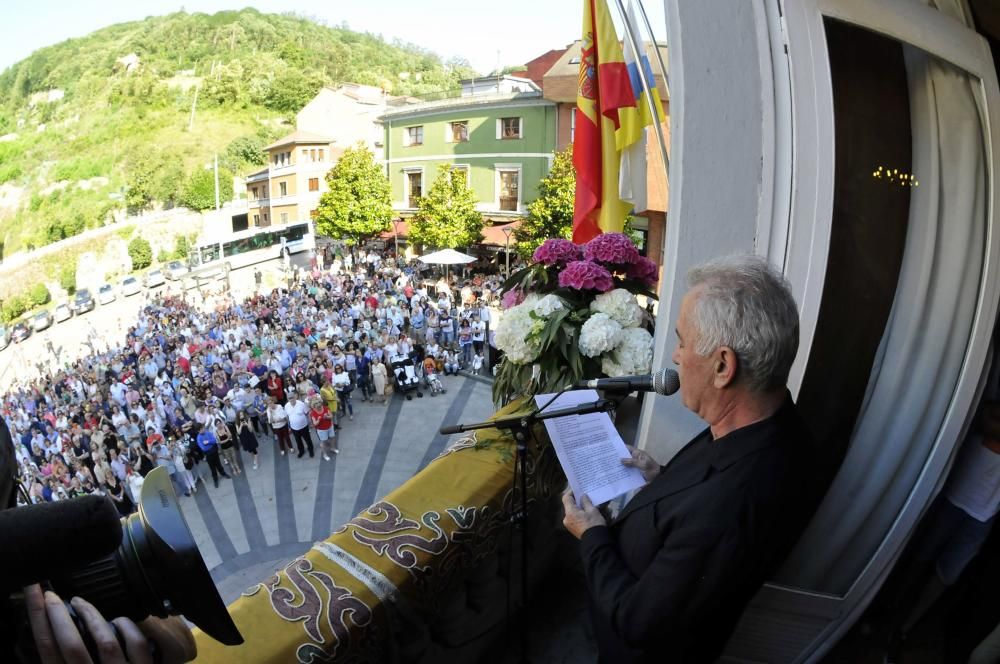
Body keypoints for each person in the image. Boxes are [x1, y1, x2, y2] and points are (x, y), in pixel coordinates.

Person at [560, 255, 817, 663]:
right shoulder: (763, 423)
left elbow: (638, 622)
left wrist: (591, 534)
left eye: (681, 341)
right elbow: (702, 503)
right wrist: (661, 476)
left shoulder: (735, 501)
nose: (676, 357)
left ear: (722, 366)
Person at [196, 422, 229, 488]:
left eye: (203, 428)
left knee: (218, 464)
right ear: (198, 431)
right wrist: (210, 443)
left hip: (214, 451)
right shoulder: (198, 438)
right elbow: (203, 448)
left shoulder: (208, 433)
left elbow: (214, 440)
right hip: (208, 454)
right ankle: (215, 479)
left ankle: (223, 473)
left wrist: (208, 442)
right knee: (212, 468)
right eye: (201, 429)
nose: (203, 430)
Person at [284, 393, 314, 458]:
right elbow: (287, 417)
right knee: (298, 441)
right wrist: (289, 426)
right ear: (287, 399)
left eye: (292, 397)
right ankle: (301, 451)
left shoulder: (301, 404)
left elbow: (307, 413)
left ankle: (311, 450)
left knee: (307, 439)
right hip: (294, 428)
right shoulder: (286, 406)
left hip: (304, 426)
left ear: (295, 397)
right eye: (289, 398)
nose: (291, 399)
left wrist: (310, 423)